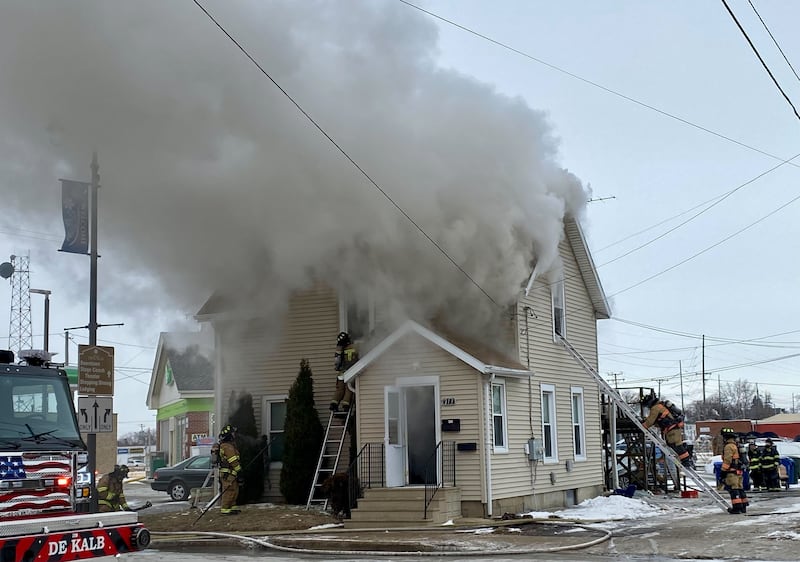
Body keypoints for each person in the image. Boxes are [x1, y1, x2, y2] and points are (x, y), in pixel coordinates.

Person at [641, 394, 694, 468]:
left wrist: (642, 425)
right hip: (673, 428)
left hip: (672, 429)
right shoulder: (660, 406)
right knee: (673, 445)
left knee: (676, 445)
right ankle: (687, 457)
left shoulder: (655, 408)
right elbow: (657, 421)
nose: (648, 407)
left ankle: (686, 461)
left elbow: (650, 422)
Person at [215, 424, 242, 515]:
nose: (234, 435)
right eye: (233, 433)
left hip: (231, 473)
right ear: (229, 435)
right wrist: (239, 470)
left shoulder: (228, 445)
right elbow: (233, 460)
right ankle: (225, 509)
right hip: (228, 474)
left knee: (234, 490)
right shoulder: (227, 446)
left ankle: (232, 507)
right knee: (229, 490)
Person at [720, 428, 748, 514]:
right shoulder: (736, 445)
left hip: (731, 472)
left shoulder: (728, 446)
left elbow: (727, 460)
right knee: (740, 488)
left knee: (734, 489)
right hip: (738, 471)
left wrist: (723, 471)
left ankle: (736, 508)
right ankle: (743, 507)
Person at [330, 331, 358, 412]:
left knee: (339, 390)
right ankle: (346, 406)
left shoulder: (340, 348)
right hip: (350, 372)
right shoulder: (355, 347)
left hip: (341, 373)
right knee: (349, 389)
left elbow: (337, 362)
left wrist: (338, 368)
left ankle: (333, 404)